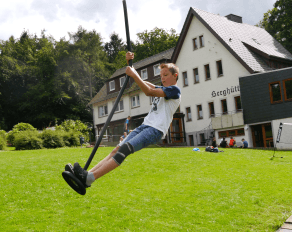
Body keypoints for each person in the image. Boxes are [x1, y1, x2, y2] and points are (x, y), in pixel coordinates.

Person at [67, 51, 181, 188]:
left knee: (125, 149)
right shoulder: (162, 88)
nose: (162, 78)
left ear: (175, 76)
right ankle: (85, 175)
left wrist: (134, 73)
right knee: (116, 150)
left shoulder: (174, 90)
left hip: (155, 130)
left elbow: (148, 91)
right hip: (145, 126)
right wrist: (129, 65)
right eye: (161, 75)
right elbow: (141, 82)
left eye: (166, 75)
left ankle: (90, 177)